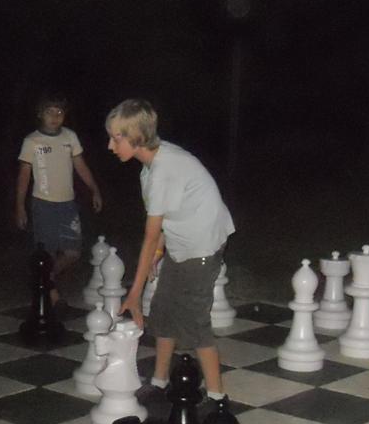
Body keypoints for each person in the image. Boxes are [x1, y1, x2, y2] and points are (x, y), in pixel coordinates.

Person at [107, 98, 235, 407]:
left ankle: (217, 399)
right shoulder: (150, 168)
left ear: (137, 137)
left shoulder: (163, 170)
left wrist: (134, 292)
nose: (110, 146)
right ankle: (159, 382)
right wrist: (160, 252)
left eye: (116, 138)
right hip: (182, 245)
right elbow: (164, 222)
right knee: (163, 310)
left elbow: (150, 235)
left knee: (194, 319)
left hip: (201, 247)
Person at [14, 93, 103, 305]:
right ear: (40, 114)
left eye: (59, 112)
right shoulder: (32, 141)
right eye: (49, 112)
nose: (55, 117)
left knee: (73, 252)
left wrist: (95, 189)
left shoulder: (70, 137)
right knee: (48, 252)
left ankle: (45, 276)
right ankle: (50, 292)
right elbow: (24, 175)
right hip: (43, 204)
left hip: (67, 205)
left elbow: (80, 165)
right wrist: (19, 206)